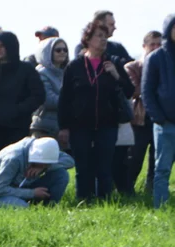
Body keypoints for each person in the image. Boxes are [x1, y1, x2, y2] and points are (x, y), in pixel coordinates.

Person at [58, 19, 133, 202]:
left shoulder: (113, 62)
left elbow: (130, 91)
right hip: (79, 125)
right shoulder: (74, 66)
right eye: (99, 36)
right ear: (88, 39)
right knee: (83, 167)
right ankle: (83, 201)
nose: (104, 39)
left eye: (105, 36)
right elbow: (65, 98)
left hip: (107, 124)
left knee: (104, 167)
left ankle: (104, 202)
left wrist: (116, 75)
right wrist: (63, 127)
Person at [0, 30, 45, 163]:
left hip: (16, 127)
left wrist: (17, 110)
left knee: (15, 165)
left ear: (11, 47)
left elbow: (38, 95)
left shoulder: (25, 70)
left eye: (2, 46)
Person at [141, 14, 175, 207]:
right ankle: (160, 207)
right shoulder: (156, 58)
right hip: (165, 125)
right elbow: (147, 91)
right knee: (161, 170)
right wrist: (160, 119)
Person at [0, 136, 73, 207]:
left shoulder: (44, 150)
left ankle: (49, 207)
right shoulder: (12, 159)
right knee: (22, 207)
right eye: (43, 164)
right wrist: (32, 193)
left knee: (61, 174)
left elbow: (69, 161)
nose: (46, 166)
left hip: (24, 187)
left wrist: (43, 168)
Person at [125, 31, 162, 194]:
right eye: (152, 44)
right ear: (144, 46)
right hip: (139, 119)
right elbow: (133, 91)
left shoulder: (167, 67)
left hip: (160, 118)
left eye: (159, 44)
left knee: (158, 159)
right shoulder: (132, 67)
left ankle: (152, 190)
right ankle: (127, 190)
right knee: (135, 158)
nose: (156, 48)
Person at [31, 37, 70, 139]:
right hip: (44, 129)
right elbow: (48, 100)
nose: (63, 52)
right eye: (58, 50)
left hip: (61, 128)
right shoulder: (40, 73)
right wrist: (73, 103)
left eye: (65, 50)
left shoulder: (66, 72)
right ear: (47, 52)